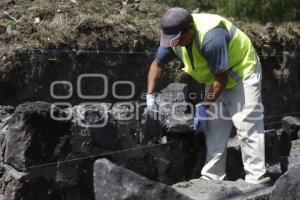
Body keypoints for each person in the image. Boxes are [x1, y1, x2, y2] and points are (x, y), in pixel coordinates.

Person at [146, 7, 270, 184]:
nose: (175, 44)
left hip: (242, 72)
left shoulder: (211, 38)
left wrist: (204, 106)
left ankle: (256, 177)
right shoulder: (172, 36)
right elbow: (157, 64)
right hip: (216, 77)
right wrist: (150, 95)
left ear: (190, 28)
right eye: (172, 41)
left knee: (246, 123)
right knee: (214, 128)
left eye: (178, 39)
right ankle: (213, 177)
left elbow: (223, 78)